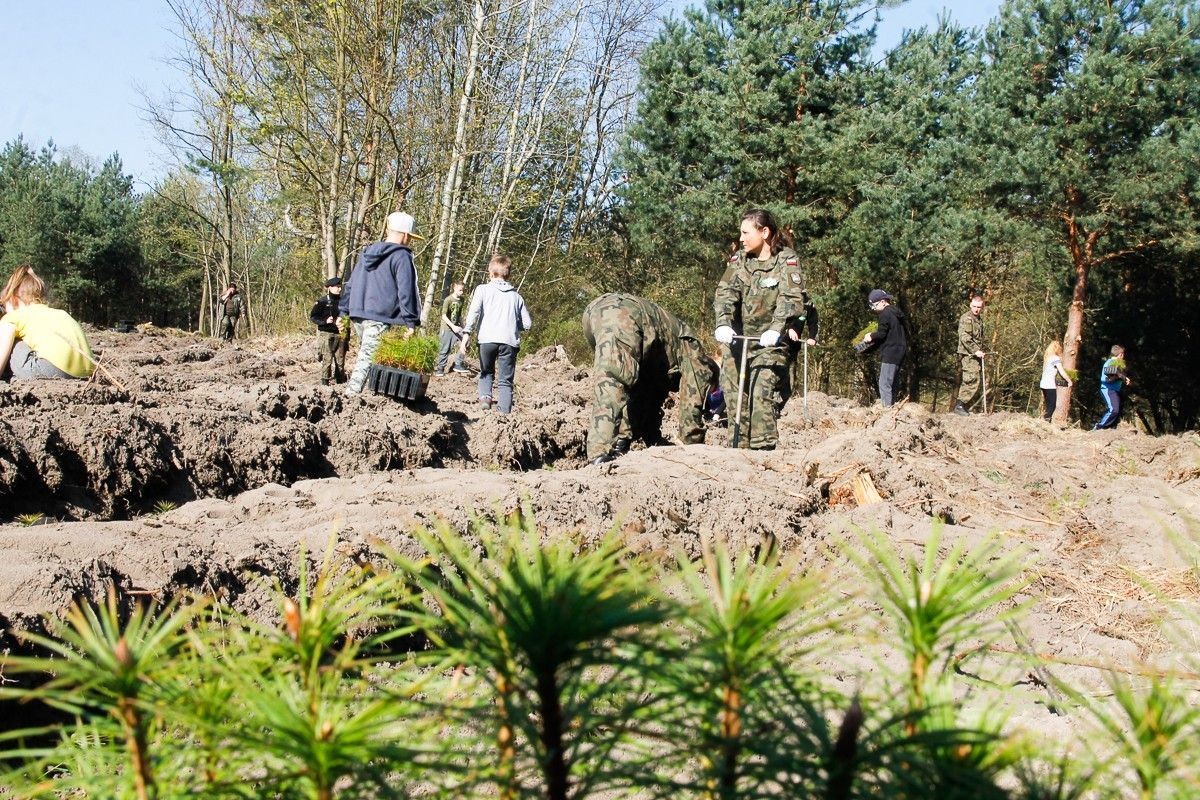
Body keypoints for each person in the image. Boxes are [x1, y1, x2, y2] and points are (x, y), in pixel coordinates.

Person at [713, 208, 807, 450]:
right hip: (738, 342)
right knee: (734, 396)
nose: (741, 239)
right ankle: (738, 449)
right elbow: (725, 293)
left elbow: (792, 298)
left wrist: (777, 329)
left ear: (764, 232)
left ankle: (763, 451)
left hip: (770, 344)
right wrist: (723, 322)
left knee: (761, 391)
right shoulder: (739, 260)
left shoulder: (787, 260)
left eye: (746, 233)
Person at [582, 293, 713, 464]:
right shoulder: (697, 356)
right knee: (612, 379)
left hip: (595, 313)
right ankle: (598, 453)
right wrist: (693, 447)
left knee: (629, 380)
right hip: (623, 314)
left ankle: (620, 444)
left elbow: (647, 397)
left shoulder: (661, 362)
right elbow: (692, 405)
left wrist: (653, 439)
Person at [339, 211, 423, 396]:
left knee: (371, 356)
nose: (410, 241)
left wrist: (343, 311)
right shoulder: (401, 256)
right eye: (411, 237)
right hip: (379, 316)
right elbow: (406, 290)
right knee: (366, 359)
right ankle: (349, 399)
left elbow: (351, 284)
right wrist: (411, 322)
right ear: (406, 235)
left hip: (358, 314)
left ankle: (370, 398)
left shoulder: (366, 253)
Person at [458, 254, 531, 413]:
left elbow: (473, 313)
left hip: (487, 340)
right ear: (508, 275)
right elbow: (527, 323)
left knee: (486, 372)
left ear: (490, 273)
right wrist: (514, 326)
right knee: (505, 381)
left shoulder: (482, 290)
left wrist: (466, 335)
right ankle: (503, 414)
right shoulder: (517, 297)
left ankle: (485, 398)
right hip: (509, 342)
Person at [0, 265, 95, 381]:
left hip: (49, 371)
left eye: (4, 305)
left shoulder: (13, 317)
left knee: (9, 338)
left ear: (13, 298)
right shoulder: (62, 313)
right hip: (86, 375)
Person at [860, 289, 906, 407]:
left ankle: (887, 411)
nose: (873, 309)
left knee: (884, 383)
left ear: (883, 301)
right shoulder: (896, 313)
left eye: (874, 305)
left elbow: (881, 334)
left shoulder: (885, 314)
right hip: (900, 351)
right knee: (893, 382)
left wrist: (870, 336)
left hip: (890, 352)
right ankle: (894, 406)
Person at [310, 276, 349, 385]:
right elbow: (313, 317)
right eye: (337, 287)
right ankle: (325, 382)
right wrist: (325, 321)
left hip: (341, 334)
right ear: (330, 287)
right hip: (326, 333)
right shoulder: (322, 301)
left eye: (340, 287)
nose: (339, 289)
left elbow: (347, 317)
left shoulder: (343, 302)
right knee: (327, 359)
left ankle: (340, 382)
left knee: (340, 360)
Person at [954, 294, 986, 415]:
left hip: (975, 355)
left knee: (975, 379)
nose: (976, 309)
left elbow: (979, 339)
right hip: (968, 354)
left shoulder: (978, 320)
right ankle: (960, 405)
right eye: (974, 306)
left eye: (979, 307)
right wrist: (975, 350)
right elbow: (965, 337)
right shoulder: (967, 318)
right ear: (970, 305)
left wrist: (981, 351)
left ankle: (963, 406)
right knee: (971, 379)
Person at [433, 281, 469, 376]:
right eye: (460, 290)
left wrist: (464, 328)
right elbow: (444, 316)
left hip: (457, 327)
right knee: (445, 349)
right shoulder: (448, 300)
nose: (462, 292)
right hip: (447, 328)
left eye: (463, 290)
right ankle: (440, 368)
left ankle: (458, 363)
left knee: (465, 341)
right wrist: (452, 327)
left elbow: (459, 315)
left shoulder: (461, 300)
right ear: (455, 288)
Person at [1094, 344, 1131, 430]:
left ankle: (1110, 428)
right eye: (1123, 354)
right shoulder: (1111, 362)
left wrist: (1124, 378)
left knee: (1116, 410)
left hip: (1115, 390)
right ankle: (1098, 427)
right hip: (1108, 389)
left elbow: (1118, 375)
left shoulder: (1116, 363)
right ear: (1121, 354)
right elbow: (1108, 375)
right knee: (1113, 409)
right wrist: (1120, 377)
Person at [1039, 340, 1072, 421]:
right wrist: (1069, 380)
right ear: (1057, 349)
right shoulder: (1055, 358)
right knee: (1052, 406)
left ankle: (1045, 422)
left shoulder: (1048, 358)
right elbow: (1062, 372)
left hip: (1043, 384)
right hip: (1049, 385)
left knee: (1048, 405)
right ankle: (1045, 423)